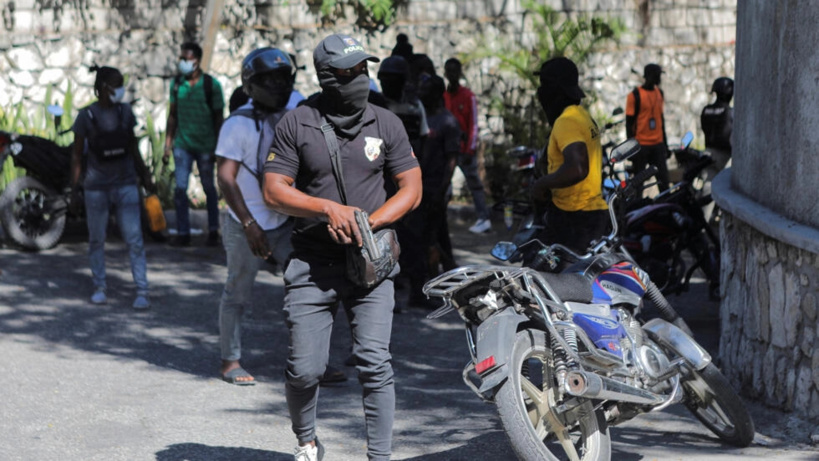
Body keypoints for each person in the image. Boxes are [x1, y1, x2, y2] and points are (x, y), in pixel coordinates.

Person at [262, 33, 422, 461]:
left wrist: (370, 223)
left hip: (372, 262)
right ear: (327, 77)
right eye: (349, 73)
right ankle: (307, 441)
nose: (359, 80)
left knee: (374, 362)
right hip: (313, 262)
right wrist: (325, 209)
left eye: (362, 71)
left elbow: (412, 188)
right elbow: (274, 190)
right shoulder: (299, 122)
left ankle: (380, 456)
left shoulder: (385, 122)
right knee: (305, 370)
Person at [214, 47, 297, 386]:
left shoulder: (297, 110)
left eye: (282, 78)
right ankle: (230, 360)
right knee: (237, 292)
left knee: (307, 292)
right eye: (268, 80)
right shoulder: (238, 125)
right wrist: (249, 224)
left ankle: (310, 363)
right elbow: (226, 178)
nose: (277, 85)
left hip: (286, 220)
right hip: (244, 222)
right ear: (251, 84)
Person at [69, 65, 156, 309]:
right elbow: (76, 156)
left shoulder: (126, 112)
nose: (120, 90)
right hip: (95, 187)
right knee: (97, 239)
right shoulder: (85, 116)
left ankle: (142, 290)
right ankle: (100, 286)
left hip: (125, 183)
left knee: (134, 239)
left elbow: (133, 146)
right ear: (103, 88)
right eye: (116, 85)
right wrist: (75, 190)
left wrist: (145, 174)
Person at [531, 57, 608, 257]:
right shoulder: (582, 116)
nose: (540, 94)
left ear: (555, 90)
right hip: (591, 214)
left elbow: (578, 168)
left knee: (536, 280)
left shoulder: (566, 121)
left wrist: (542, 184)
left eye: (543, 86)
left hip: (574, 219)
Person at [162, 42, 225, 247]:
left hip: (206, 146)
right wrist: (167, 145)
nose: (182, 63)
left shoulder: (211, 85)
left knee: (209, 188)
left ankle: (214, 230)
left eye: (186, 59)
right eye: (181, 58)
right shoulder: (177, 84)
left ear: (196, 61)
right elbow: (172, 116)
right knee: (180, 189)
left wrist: (219, 147)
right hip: (182, 146)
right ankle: (183, 233)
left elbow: (218, 118)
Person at [415, 74, 460, 280]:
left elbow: (452, 159)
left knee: (432, 235)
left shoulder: (448, 121)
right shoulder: (421, 117)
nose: (422, 94)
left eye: (426, 91)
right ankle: (448, 272)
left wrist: (442, 190)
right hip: (420, 186)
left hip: (435, 187)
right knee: (433, 234)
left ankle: (433, 279)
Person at [443, 57, 491, 234]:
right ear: (446, 73)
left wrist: (470, 148)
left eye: (455, 71)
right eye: (449, 71)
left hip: (464, 150)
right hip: (448, 151)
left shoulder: (468, 96)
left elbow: (474, 124)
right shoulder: (443, 96)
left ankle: (484, 218)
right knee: (444, 186)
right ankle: (441, 219)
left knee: (475, 185)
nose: (452, 74)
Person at [625, 63, 670, 192]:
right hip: (641, 146)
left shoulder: (659, 93)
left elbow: (661, 120)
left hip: (658, 145)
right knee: (638, 186)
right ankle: (637, 210)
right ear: (649, 76)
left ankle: (666, 209)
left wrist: (665, 145)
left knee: (664, 183)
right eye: (658, 75)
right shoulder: (634, 95)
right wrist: (630, 150)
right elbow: (629, 124)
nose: (659, 78)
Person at [700, 76, 734, 222]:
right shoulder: (730, 112)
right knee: (727, 190)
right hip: (725, 157)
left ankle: (704, 221)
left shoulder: (706, 110)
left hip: (707, 153)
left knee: (707, 188)